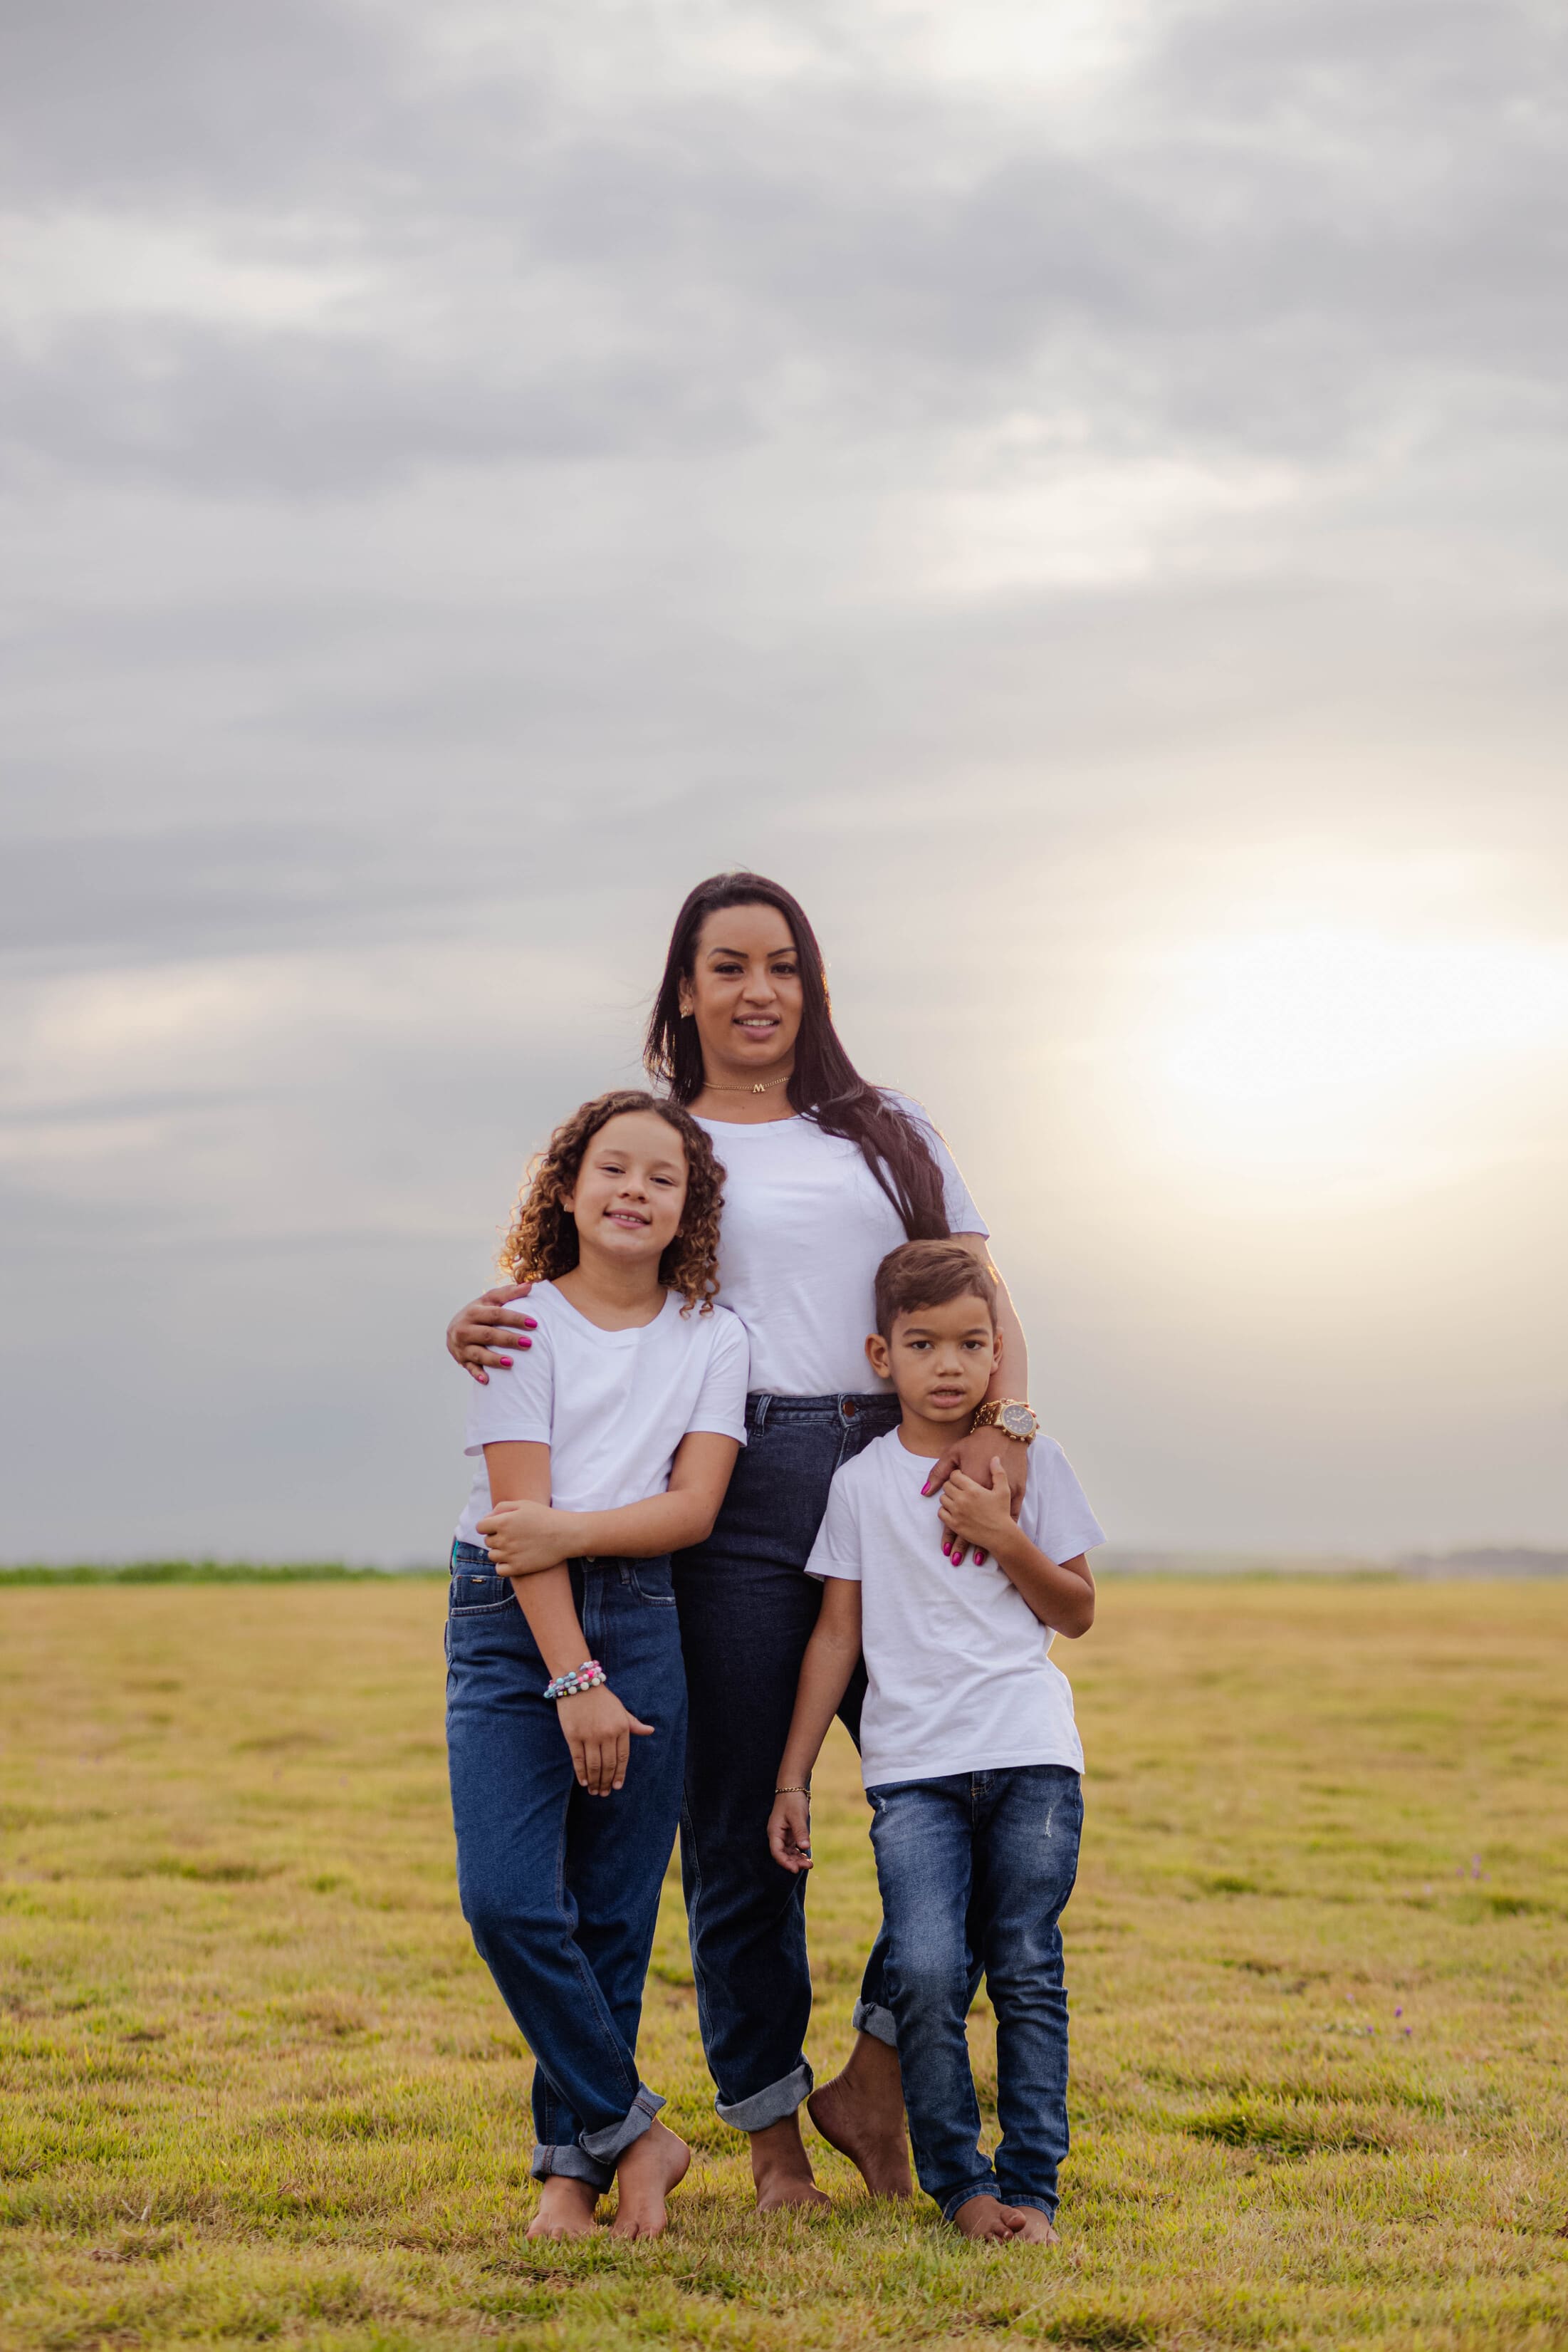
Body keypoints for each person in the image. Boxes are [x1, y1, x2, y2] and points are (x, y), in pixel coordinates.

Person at [452, 872, 1042, 2211]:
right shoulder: (665, 1140)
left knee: (975, 1781)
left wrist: (1003, 1425)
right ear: (683, 988)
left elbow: (984, 1296)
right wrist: (471, 1325)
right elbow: (577, 1273)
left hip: (904, 1457)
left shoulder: (888, 1130)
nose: (756, 990)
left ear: (811, 983)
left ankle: (878, 2072)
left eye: (781, 965)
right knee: (735, 1831)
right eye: (726, 966)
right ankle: (774, 2139)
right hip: (733, 1474)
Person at [446, 1088, 748, 2240]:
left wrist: (577, 1533)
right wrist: (575, 1680)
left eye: (660, 1177)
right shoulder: (516, 1321)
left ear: (688, 1209)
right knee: (512, 1901)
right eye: (610, 1169)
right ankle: (640, 2131)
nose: (633, 1190)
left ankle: (571, 2175)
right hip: (508, 1619)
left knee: (612, 1917)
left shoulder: (714, 1336)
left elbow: (693, 1506)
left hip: (642, 1608)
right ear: (566, 1188)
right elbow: (517, 1531)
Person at [768, 1239, 1102, 2242]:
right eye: (923, 1344)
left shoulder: (1031, 1466)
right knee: (922, 1968)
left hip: (1030, 1753)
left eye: (969, 1343)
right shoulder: (864, 1485)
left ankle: (1032, 2186)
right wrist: (793, 1772)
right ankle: (960, 2185)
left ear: (1000, 1353)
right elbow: (836, 1633)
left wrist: (1005, 1536)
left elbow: (1076, 1610)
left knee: (1025, 1968)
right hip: (910, 1770)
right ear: (883, 1354)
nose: (948, 1364)